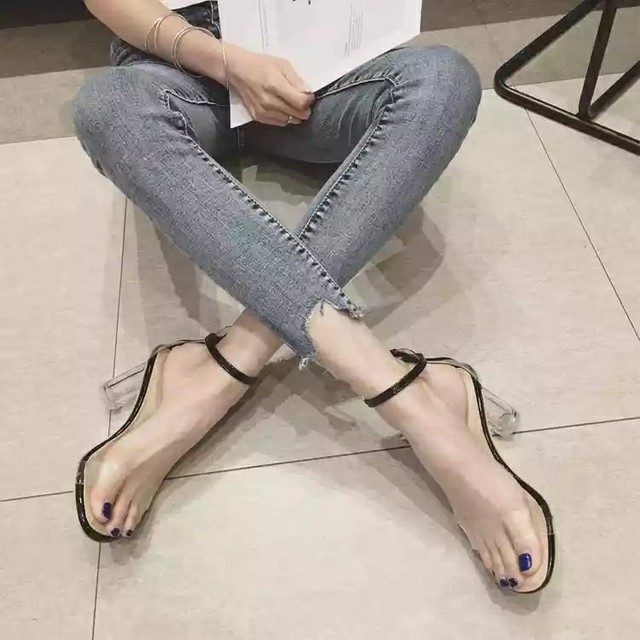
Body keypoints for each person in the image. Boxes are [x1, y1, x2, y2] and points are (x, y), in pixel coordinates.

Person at [73, 0, 554, 593]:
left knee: (444, 80)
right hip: (175, 66)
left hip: (317, 74)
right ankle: (410, 400)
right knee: (107, 107)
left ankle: (225, 367)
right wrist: (223, 59)